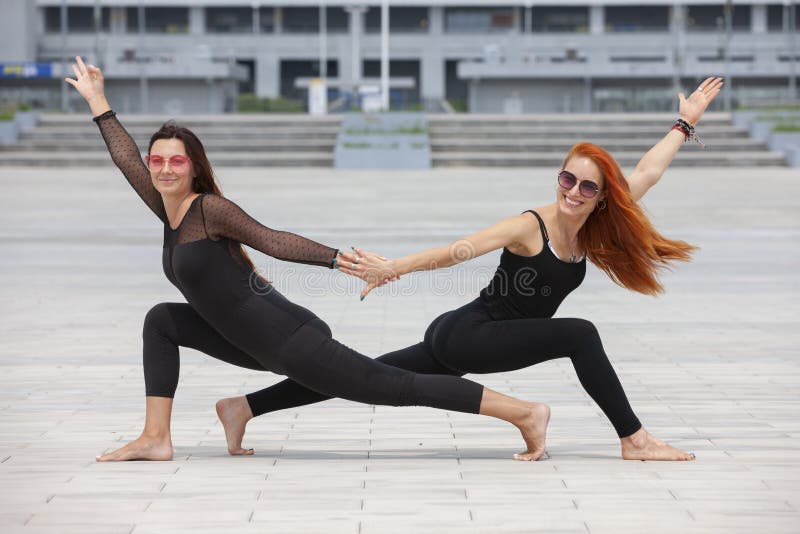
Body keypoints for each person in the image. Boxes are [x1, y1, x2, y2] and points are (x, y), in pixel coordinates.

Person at [65, 56, 551, 462]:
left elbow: (271, 239)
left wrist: (339, 259)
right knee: (162, 321)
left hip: (286, 336)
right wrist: (98, 102)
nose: (164, 168)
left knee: (394, 386)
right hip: (247, 340)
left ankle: (524, 412)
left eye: (177, 161)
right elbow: (125, 157)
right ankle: (161, 435)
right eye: (158, 160)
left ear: (194, 168)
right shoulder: (166, 207)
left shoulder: (209, 209)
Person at [218, 77, 723, 462]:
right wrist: (392, 267)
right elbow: (460, 250)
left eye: (586, 187)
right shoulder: (531, 225)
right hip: (471, 335)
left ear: (601, 195)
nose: (572, 192)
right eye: (567, 178)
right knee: (581, 334)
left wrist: (684, 124)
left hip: (473, 334)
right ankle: (633, 439)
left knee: (359, 376)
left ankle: (244, 408)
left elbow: (648, 171)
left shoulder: (594, 222)